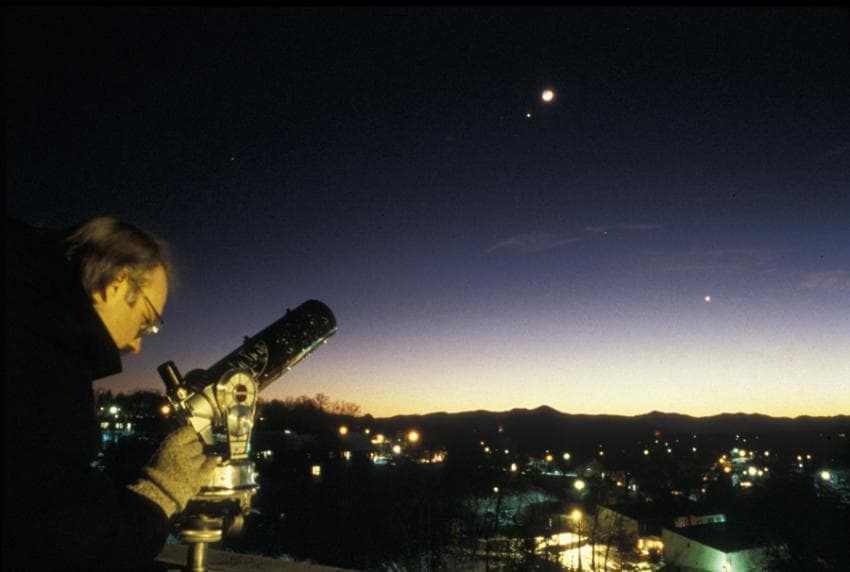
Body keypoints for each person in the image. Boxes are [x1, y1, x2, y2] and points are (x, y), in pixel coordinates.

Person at [3, 216, 218, 571]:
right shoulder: (43, 362)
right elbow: (65, 538)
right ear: (116, 285)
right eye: (148, 321)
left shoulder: (29, 318)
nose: (137, 345)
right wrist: (160, 494)